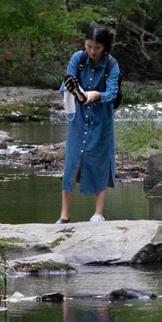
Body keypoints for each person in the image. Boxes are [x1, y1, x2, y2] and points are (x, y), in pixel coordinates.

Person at [57, 25, 119, 224]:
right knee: (72, 162)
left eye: (97, 48)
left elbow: (112, 94)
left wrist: (97, 95)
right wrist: (75, 91)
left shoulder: (112, 65)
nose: (92, 52)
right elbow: (64, 84)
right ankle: (64, 215)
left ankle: (98, 213)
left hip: (102, 119)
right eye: (89, 46)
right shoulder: (78, 58)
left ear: (105, 47)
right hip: (78, 118)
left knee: (100, 160)